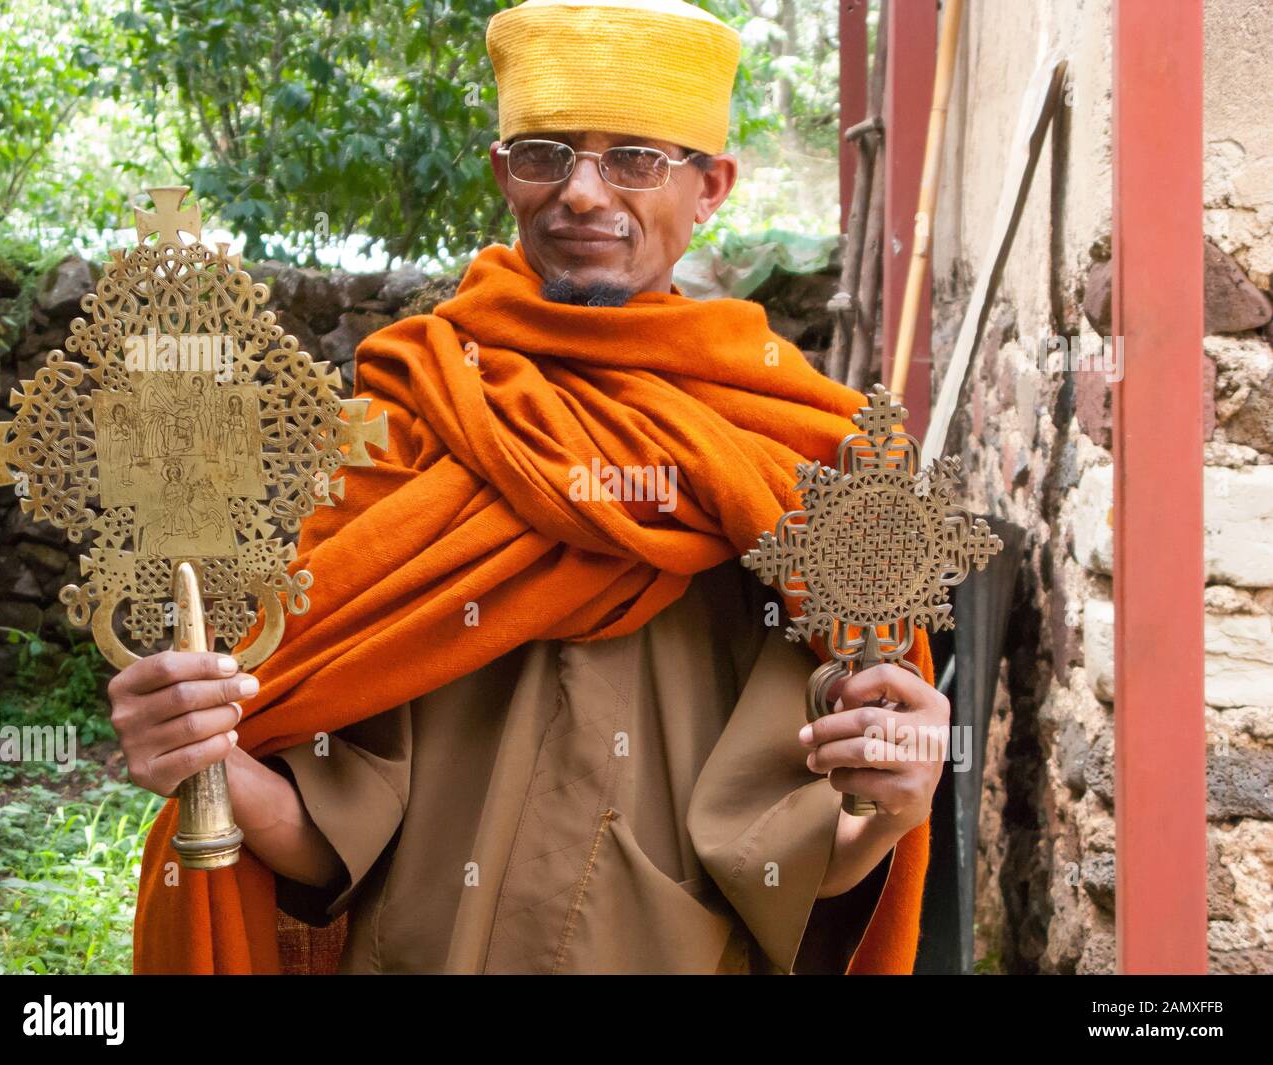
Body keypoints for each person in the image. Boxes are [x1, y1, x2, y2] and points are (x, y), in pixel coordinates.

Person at [112, 0, 948, 975]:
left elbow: (807, 863)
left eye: (635, 157)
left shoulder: (800, 453)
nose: (583, 193)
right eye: (545, 153)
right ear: (505, 174)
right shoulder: (410, 417)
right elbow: (323, 825)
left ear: (711, 185)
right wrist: (206, 756)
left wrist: (890, 807)